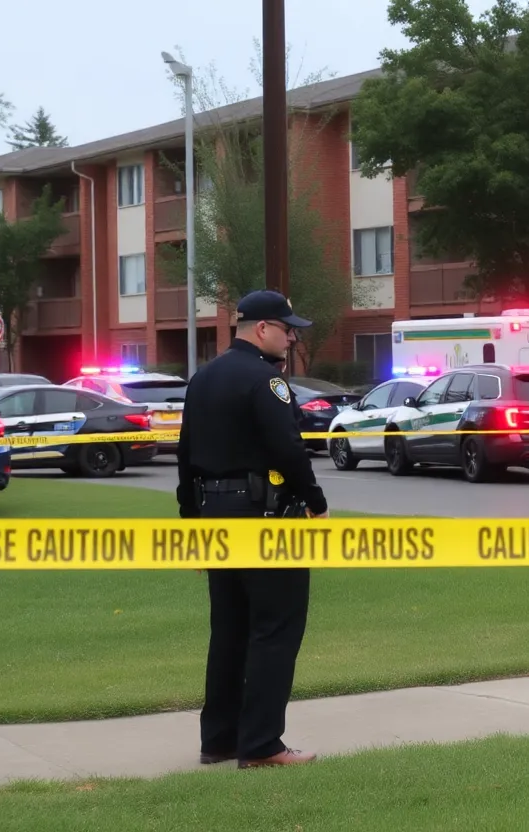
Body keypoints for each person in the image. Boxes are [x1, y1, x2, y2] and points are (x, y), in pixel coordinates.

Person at [175, 288, 329, 770]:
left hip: (214, 514)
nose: (292, 339)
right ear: (262, 329)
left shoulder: (203, 378)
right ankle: (261, 744)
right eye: (287, 330)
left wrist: (191, 521)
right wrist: (316, 503)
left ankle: (220, 739)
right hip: (265, 517)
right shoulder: (267, 381)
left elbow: (185, 453)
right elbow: (288, 448)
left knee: (230, 628)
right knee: (275, 626)